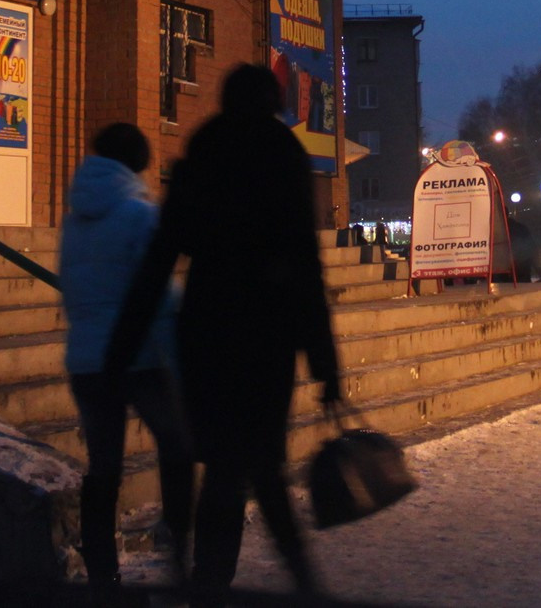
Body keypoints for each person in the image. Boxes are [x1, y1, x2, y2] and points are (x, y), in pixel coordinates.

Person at [107, 64, 340, 607]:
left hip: (208, 332)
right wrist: (325, 362)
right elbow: (306, 266)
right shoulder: (284, 154)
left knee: (224, 465)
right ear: (273, 101)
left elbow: (165, 249)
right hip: (268, 335)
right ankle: (296, 579)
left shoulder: (206, 147)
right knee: (258, 459)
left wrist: (125, 338)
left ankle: (214, 582)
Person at [61, 124, 194, 604]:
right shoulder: (140, 216)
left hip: (86, 360)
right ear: (137, 164)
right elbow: (156, 292)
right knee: (177, 447)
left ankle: (103, 575)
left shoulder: (73, 221)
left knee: (104, 467)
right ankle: (179, 550)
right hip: (138, 356)